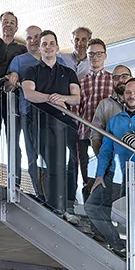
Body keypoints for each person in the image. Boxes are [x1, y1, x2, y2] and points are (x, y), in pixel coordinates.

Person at [21, 31, 81, 215]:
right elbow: (28, 93)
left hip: (66, 124)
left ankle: (68, 203)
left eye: (51, 43)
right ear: (39, 48)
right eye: (44, 44)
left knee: (72, 164)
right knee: (53, 165)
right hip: (42, 123)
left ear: (57, 47)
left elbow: (76, 98)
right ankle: (56, 205)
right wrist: (51, 98)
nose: (48, 47)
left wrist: (61, 98)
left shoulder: (69, 72)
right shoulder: (31, 71)